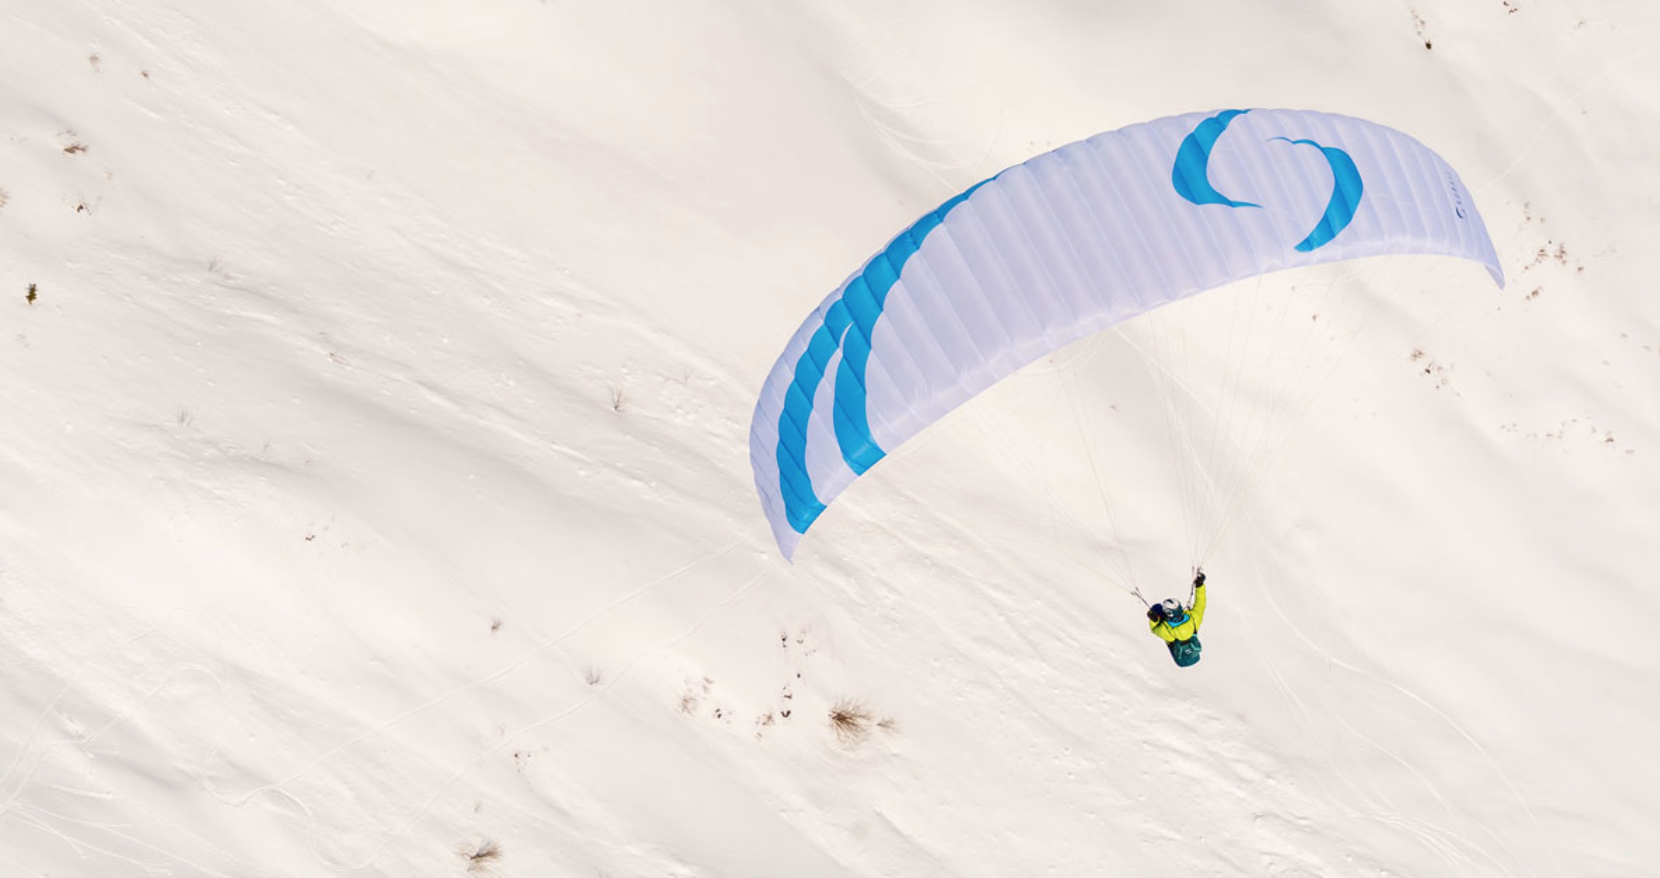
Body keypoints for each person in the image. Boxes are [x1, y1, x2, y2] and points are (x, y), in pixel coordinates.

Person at [1147, 569, 1206, 667]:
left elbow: (1154, 629)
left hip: (1180, 661)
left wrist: (1154, 620)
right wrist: (1200, 586)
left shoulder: (1167, 630)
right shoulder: (1194, 619)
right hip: (1193, 655)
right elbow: (1201, 603)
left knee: (1156, 608)